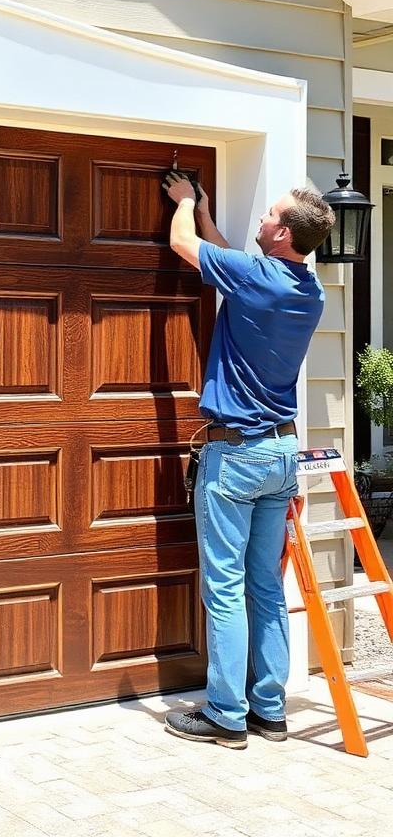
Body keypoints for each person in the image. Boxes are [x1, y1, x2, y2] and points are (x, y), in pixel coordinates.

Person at [161, 171, 335, 750]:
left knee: (225, 587)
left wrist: (185, 204)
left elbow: (185, 247)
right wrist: (212, 216)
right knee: (264, 584)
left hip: (234, 456)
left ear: (282, 233)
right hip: (282, 454)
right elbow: (238, 264)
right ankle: (269, 710)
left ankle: (226, 714)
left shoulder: (255, 276)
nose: (260, 218)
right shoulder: (309, 291)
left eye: (268, 214)